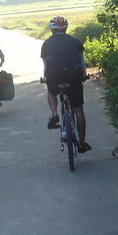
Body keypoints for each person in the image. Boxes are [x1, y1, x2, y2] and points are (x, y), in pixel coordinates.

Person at [41, 16, 91, 153]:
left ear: (52, 29)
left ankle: (54, 114)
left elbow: (46, 63)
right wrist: (83, 75)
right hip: (73, 74)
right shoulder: (75, 41)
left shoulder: (46, 43)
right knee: (78, 110)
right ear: (66, 28)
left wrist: (46, 78)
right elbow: (81, 61)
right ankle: (82, 144)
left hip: (54, 75)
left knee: (51, 92)